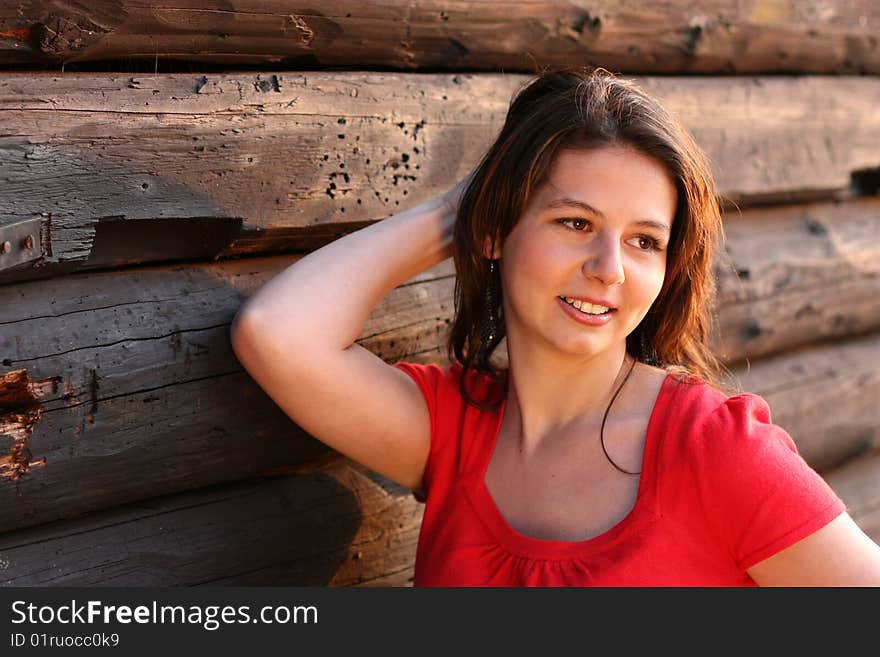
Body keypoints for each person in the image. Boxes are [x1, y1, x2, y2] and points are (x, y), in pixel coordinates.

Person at [230, 67, 880, 586]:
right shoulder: (450, 431)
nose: (609, 269)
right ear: (493, 230)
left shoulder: (716, 449)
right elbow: (278, 334)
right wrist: (463, 209)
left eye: (644, 242)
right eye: (575, 223)